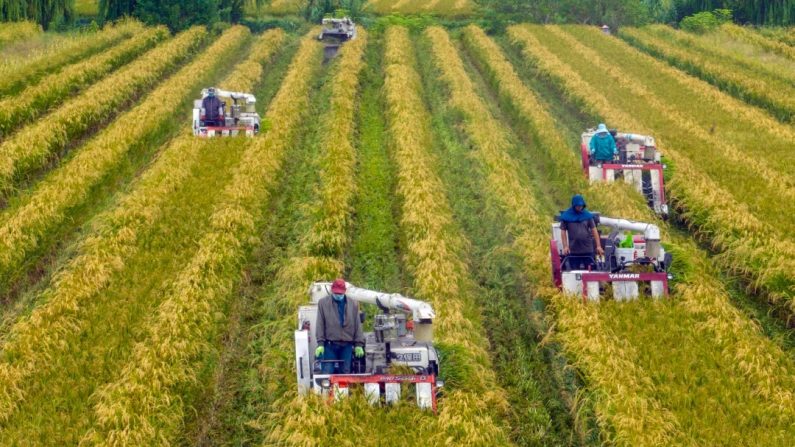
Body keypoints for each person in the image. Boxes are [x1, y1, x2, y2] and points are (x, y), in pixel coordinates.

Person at [314, 278, 365, 374]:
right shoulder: (323, 303)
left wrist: (359, 344)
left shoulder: (353, 304)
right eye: (336, 293)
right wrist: (320, 344)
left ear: (344, 292)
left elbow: (357, 324)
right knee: (328, 372)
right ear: (332, 291)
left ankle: (345, 389)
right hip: (330, 345)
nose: (338, 295)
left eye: (340, 294)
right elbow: (320, 324)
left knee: (345, 373)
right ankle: (327, 389)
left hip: (347, 345)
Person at [560, 194, 604, 270]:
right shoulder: (566, 217)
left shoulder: (587, 216)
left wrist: (598, 246)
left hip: (587, 250)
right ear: (574, 205)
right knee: (574, 272)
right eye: (577, 206)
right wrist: (565, 246)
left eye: (581, 206)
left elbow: (594, 231)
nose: (579, 207)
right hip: (573, 250)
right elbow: (563, 232)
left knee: (590, 271)